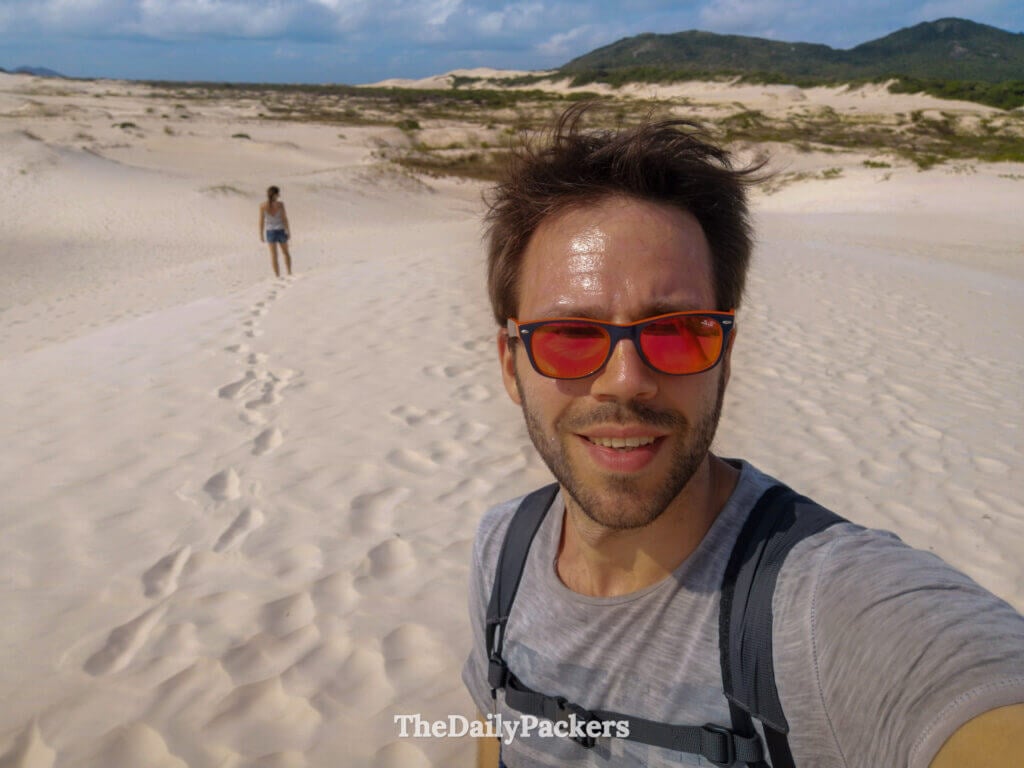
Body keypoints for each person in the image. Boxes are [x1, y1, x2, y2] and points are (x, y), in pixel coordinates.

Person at [461, 105, 1024, 767]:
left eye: (677, 331)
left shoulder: (818, 607)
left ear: (725, 354)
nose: (624, 381)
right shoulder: (501, 554)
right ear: (510, 363)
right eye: (571, 336)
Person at [259, 185, 292, 277]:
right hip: (280, 229)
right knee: (285, 253)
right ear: (276, 195)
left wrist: (261, 234)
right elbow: (284, 219)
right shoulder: (280, 205)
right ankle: (289, 272)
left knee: (274, 255)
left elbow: (261, 221)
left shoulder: (262, 206)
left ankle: (277, 275)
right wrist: (288, 231)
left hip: (270, 231)